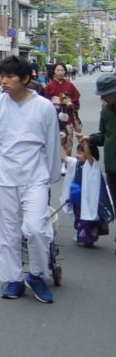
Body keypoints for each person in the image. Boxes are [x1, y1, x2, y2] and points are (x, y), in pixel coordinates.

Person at [0, 55, 62, 303]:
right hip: (5, 174)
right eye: (1, 76)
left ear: (26, 78)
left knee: (36, 227)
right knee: (7, 231)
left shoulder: (44, 107)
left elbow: (52, 144)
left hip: (35, 175)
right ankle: (13, 278)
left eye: (9, 77)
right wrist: (0, 162)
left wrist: (49, 176)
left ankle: (37, 274)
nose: (3, 80)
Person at [58, 140, 113, 247]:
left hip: (89, 199)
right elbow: (64, 157)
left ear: (88, 154)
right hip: (78, 199)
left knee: (90, 220)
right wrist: (61, 143)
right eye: (77, 152)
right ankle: (82, 234)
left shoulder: (91, 164)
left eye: (80, 153)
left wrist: (85, 141)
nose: (77, 155)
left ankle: (88, 238)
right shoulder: (76, 163)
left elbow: (88, 154)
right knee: (80, 218)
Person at [80, 72, 116, 231]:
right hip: (112, 166)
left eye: (106, 95)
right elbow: (103, 136)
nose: (103, 98)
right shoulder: (106, 111)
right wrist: (89, 138)